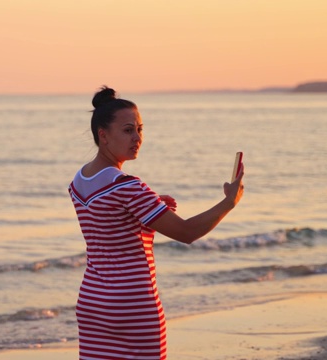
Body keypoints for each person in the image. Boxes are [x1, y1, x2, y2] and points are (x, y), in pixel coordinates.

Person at [68, 86, 244, 359]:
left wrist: (145, 212)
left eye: (140, 129)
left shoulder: (79, 181)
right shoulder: (128, 186)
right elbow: (187, 232)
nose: (137, 138)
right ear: (103, 136)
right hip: (133, 305)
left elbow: (107, 225)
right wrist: (228, 203)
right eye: (128, 130)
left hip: (93, 303)